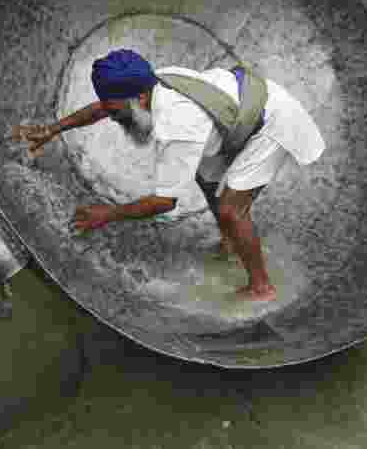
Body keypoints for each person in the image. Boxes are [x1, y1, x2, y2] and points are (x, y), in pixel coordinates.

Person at [20, 49, 325, 302]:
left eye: (115, 111)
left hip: (272, 125)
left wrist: (108, 214)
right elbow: (102, 107)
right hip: (235, 113)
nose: (111, 117)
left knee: (233, 209)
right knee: (205, 178)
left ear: (139, 99)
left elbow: (165, 202)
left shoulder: (176, 126)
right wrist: (53, 130)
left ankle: (261, 287)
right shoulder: (150, 81)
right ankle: (231, 245)